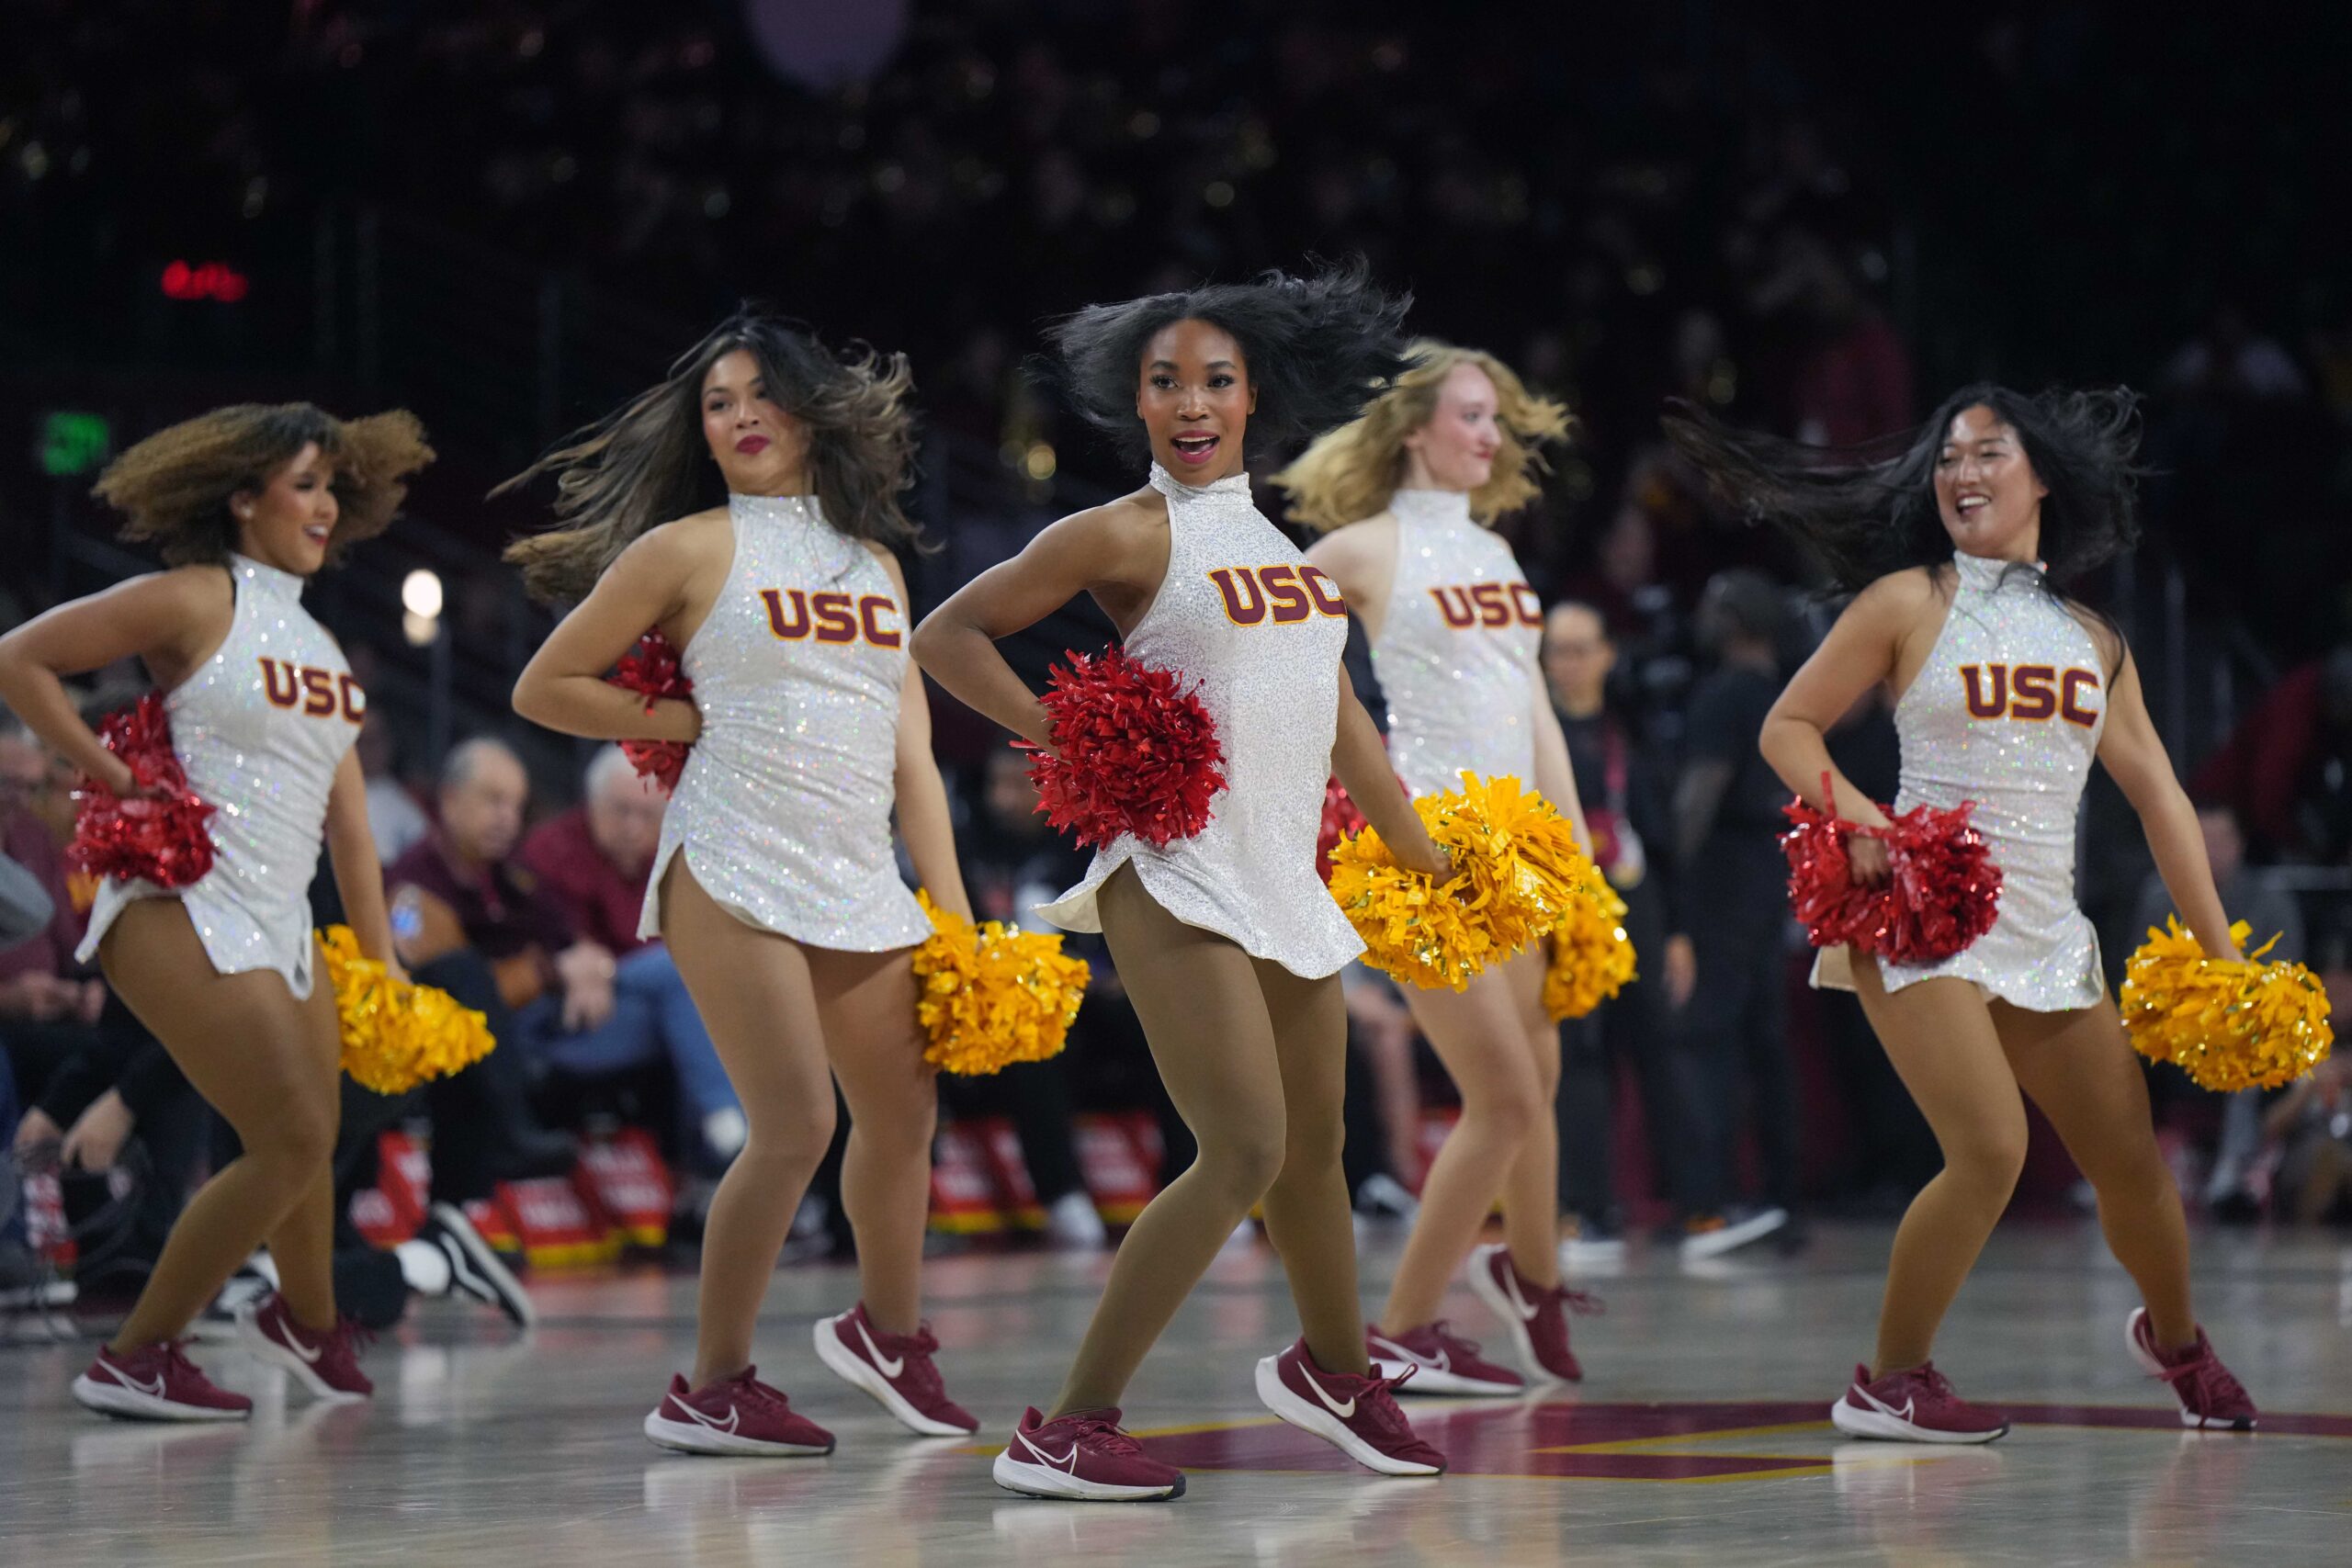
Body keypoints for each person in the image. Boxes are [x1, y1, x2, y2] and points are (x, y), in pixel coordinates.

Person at [914, 264, 1448, 1501]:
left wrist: (1417, 847)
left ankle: (1334, 1368)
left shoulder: (1283, 549)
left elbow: (1339, 718)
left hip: (1285, 879)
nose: (1192, 401)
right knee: (1244, 1145)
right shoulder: (1122, 531)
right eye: (1167, 383)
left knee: (1314, 1146)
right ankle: (1069, 1419)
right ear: (1137, 403)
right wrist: (1056, 732)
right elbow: (947, 634)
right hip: (1173, 874)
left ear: (1255, 395)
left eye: (1215, 379)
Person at [1670, 383, 2258, 1440]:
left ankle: (2177, 1345)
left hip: (2045, 932)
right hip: (1919, 912)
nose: (1962, 472)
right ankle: (1888, 1379)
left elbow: (2161, 797)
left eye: (1989, 452)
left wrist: (2223, 958)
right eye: (1947, 457)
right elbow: (1787, 726)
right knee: (1988, 1148)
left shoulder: (2094, 639)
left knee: (2130, 1164)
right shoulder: (1907, 601)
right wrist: (1860, 820)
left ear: (2043, 478)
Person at [507, 310, 978, 1454]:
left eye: (760, 394)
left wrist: (954, 911)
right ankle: (710, 1384)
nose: (740, 416)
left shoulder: (872, 565)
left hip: (855, 871)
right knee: (793, 1125)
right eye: (719, 404)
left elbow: (910, 750)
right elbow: (544, 684)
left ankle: (888, 1335)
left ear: (810, 410)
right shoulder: (685, 550)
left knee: (904, 1112)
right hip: (728, 861)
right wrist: (684, 714)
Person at [0, 401, 432, 1419]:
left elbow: (353, 832)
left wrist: (381, 965)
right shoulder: (193, 598)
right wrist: (107, 770)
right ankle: (140, 1354)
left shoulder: (325, 652)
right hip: (170, 902)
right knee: (286, 1138)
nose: (324, 505)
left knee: (309, 1129)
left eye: (333, 486)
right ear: (243, 500)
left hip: (279, 921)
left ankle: (307, 1323)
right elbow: (18, 658)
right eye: (303, 485)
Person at [1279, 340, 1594, 1395]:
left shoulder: (1498, 558)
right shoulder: (1358, 551)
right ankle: (1406, 1329)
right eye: (1470, 415)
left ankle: (1531, 1277)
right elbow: (1264, 647)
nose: (1489, 436)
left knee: (1537, 1082)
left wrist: (1578, 850)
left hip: (1520, 851)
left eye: (1496, 420)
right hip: (1422, 853)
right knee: (1503, 1099)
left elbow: (1534, 708)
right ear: (1415, 428)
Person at [515, 744, 747, 1170]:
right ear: (592, 804)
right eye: (620, 811)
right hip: (566, 1015)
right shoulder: (550, 850)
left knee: (697, 1004)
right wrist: (589, 965)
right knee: (682, 972)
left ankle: (711, 1167)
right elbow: (549, 952)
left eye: (648, 816)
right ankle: (728, 1134)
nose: (633, 827)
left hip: (652, 1008)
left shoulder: (672, 859)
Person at [1540, 601, 1683, 1256]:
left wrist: (1679, 931)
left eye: (1579, 648)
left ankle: (1693, 1203)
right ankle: (1586, 1207)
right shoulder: (1533, 732)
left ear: (1606, 653)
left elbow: (1664, 834)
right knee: (1578, 1054)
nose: (1568, 662)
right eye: (1556, 650)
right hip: (1559, 904)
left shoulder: (1635, 731)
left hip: (1634, 905)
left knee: (1656, 1046)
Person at [1667, 570, 1799, 1257]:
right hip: (1771, 869)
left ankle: (1709, 1201)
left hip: (1721, 873)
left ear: (1740, 618)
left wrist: (1670, 876)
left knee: (1705, 1034)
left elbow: (1698, 797)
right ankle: (1782, 1199)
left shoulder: (1723, 694)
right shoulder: (1789, 692)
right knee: (1765, 1040)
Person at [2129, 799, 2304, 1219]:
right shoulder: (2158, 894)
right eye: (2199, 839)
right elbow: (2138, 979)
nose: (2209, 849)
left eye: (2219, 839)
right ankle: (2119, 1169)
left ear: (2239, 845)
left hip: (2249, 1024)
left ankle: (2235, 1162)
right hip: (2179, 1026)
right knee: (2105, 1041)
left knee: (2251, 1037)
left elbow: (2285, 983)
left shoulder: (2271, 900)